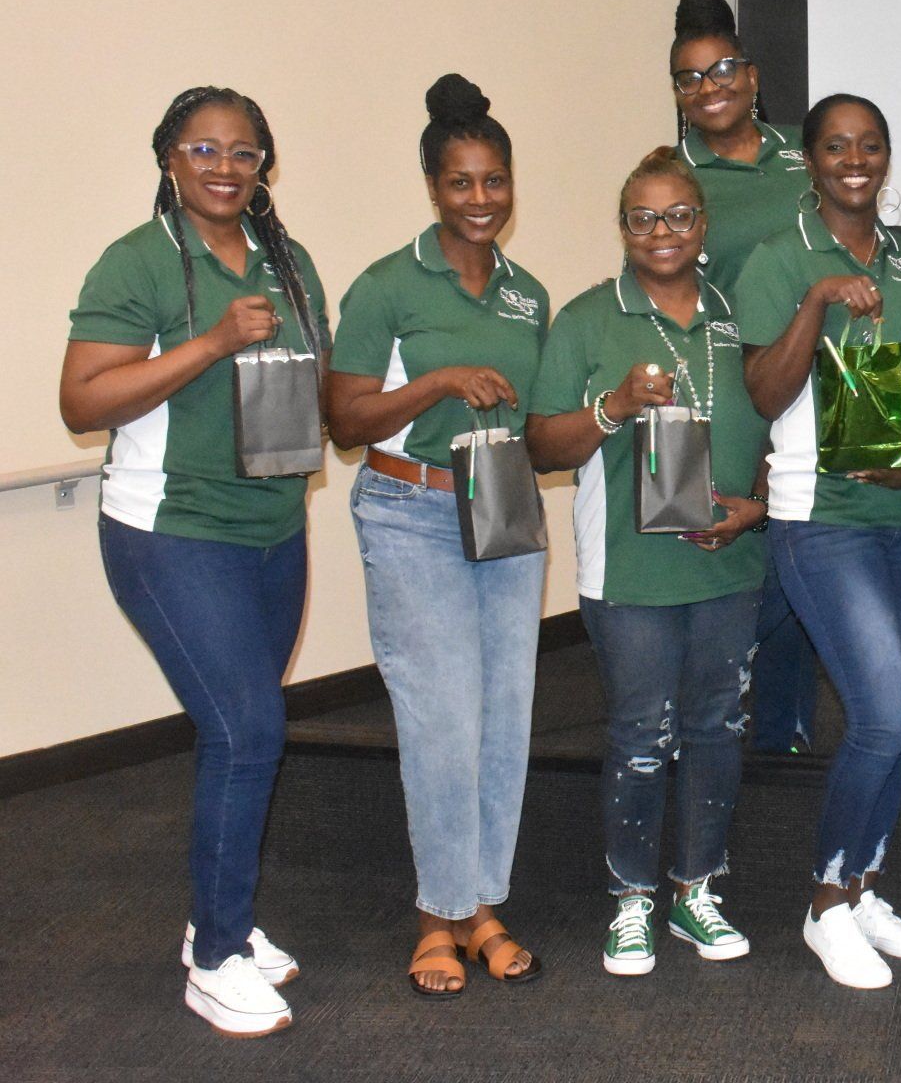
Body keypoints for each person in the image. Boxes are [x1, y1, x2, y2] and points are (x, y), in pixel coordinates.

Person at [61, 86, 328, 1038]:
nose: (225, 167)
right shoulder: (138, 260)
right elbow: (83, 402)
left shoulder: (288, 263)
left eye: (244, 152)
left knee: (252, 733)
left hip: (272, 532)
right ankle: (214, 960)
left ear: (266, 165)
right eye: (204, 149)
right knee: (248, 731)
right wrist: (212, 342)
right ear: (169, 159)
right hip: (169, 533)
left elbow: (309, 392)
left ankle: (225, 922)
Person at [326, 75, 549, 996]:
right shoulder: (385, 285)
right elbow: (345, 422)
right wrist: (440, 381)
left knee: (503, 720)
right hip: (410, 511)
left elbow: (534, 423)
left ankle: (482, 906)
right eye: (462, 182)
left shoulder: (530, 297)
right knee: (442, 722)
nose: (481, 199)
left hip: (501, 509)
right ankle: (436, 915)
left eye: (495, 180)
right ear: (433, 187)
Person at [734, 94, 901, 990]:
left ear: (887, 159)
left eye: (870, 146)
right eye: (836, 146)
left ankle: (864, 885)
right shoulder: (777, 258)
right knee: (883, 716)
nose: (854, 160)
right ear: (811, 161)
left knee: (894, 723)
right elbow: (762, 391)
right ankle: (827, 903)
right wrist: (818, 299)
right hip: (821, 522)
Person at [526, 148, 771, 978]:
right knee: (640, 732)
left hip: (728, 561)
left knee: (716, 728)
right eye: (642, 218)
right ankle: (631, 902)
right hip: (629, 572)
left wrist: (758, 507)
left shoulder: (739, 315)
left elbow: (781, 424)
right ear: (624, 230)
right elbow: (540, 444)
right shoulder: (588, 319)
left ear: (702, 227)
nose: (660, 232)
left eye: (677, 217)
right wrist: (615, 405)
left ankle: (696, 891)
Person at [669, 0, 821, 755]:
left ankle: (783, 734)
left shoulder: (807, 152)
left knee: (799, 551)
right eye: (691, 77)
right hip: (730, 389)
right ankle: (709, 722)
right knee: (739, 546)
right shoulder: (672, 176)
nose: (711, 86)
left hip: (821, 385)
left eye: (723, 67)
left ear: (753, 75)